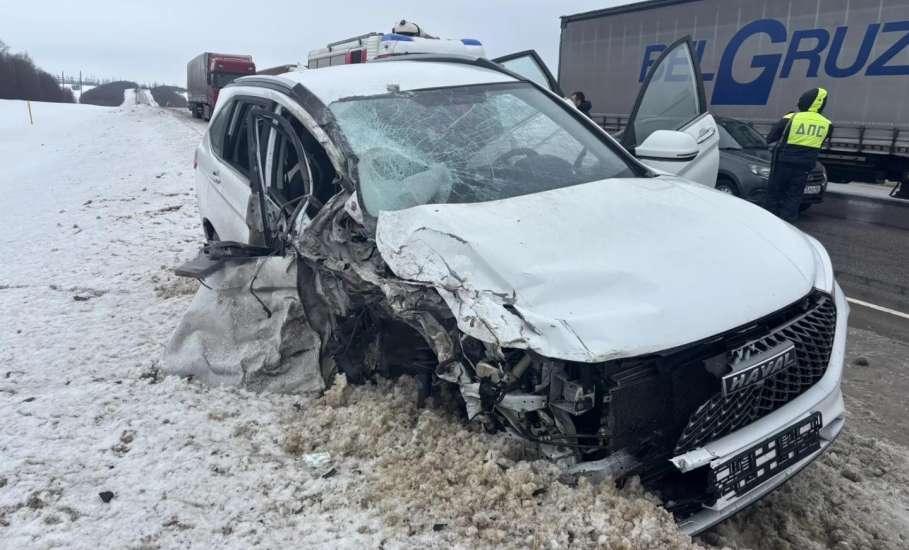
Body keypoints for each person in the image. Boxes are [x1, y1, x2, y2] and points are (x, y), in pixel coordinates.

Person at [765, 88, 832, 222]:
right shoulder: (827, 124)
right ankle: (787, 225)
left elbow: (770, 138)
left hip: (783, 164)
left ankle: (770, 224)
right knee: (794, 197)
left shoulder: (791, 118)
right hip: (805, 166)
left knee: (774, 195)